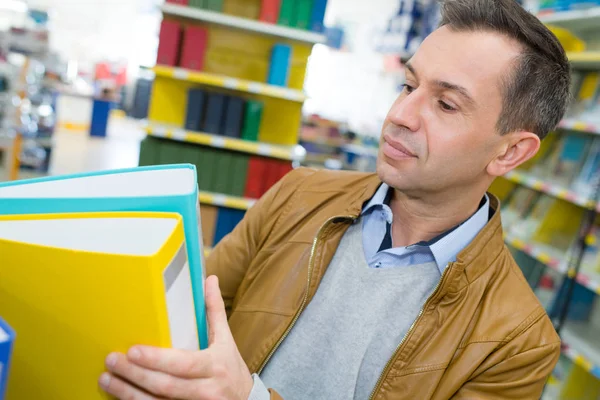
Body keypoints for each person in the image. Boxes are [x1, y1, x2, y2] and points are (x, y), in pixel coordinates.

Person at [98, 0, 571, 398]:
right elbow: (194, 308)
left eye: (446, 104)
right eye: (408, 86)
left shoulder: (517, 343)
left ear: (511, 151)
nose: (401, 115)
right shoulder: (297, 195)